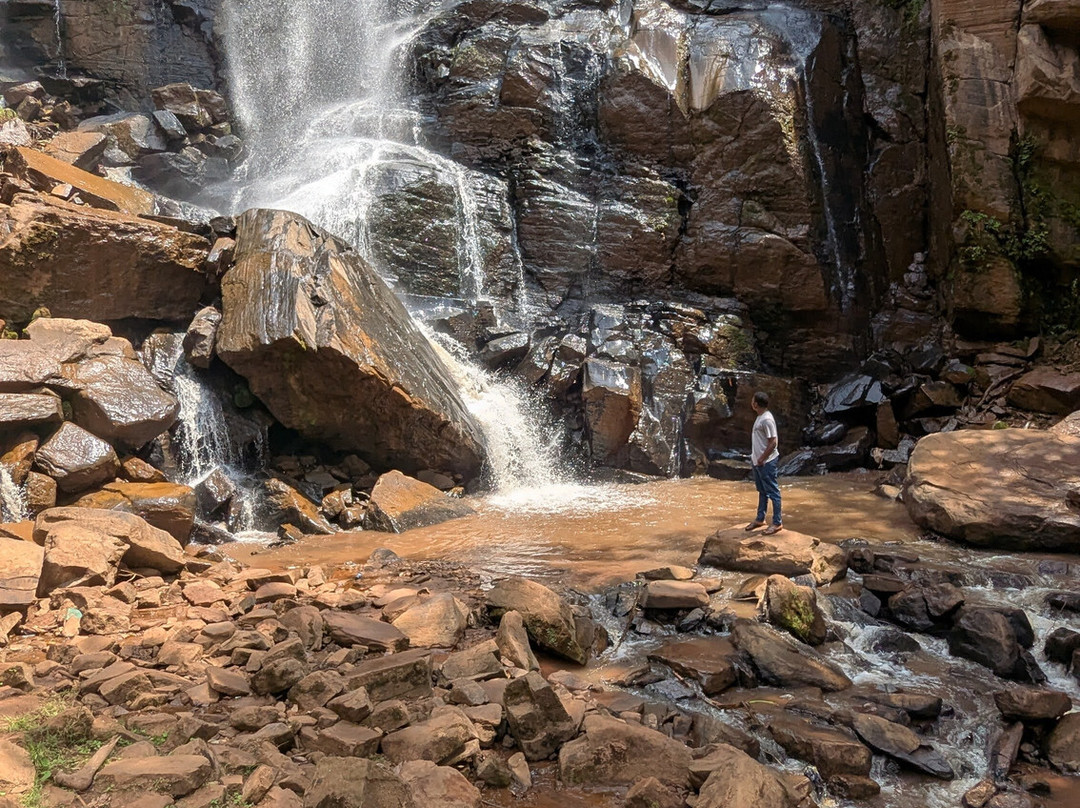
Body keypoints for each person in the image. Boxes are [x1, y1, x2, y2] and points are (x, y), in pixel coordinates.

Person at [745, 391, 782, 534]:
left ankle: (777, 522)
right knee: (762, 491)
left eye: (752, 400)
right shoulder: (761, 417)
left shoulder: (767, 419)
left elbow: (773, 442)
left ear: (755, 404)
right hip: (758, 461)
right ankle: (760, 518)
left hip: (766, 462)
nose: (751, 402)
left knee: (773, 492)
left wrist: (762, 458)